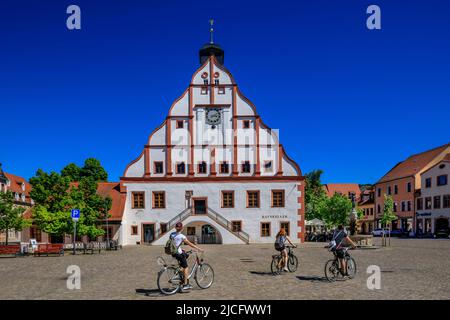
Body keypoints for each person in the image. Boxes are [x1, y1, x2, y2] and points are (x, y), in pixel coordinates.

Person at [169, 222, 204, 291]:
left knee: (186, 255)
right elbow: (190, 244)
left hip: (173, 252)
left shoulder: (171, 234)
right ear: (182, 228)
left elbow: (174, 244)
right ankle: (185, 284)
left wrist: (181, 249)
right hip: (178, 253)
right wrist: (198, 249)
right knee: (186, 267)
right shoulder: (182, 236)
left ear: (175, 228)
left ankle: (180, 271)